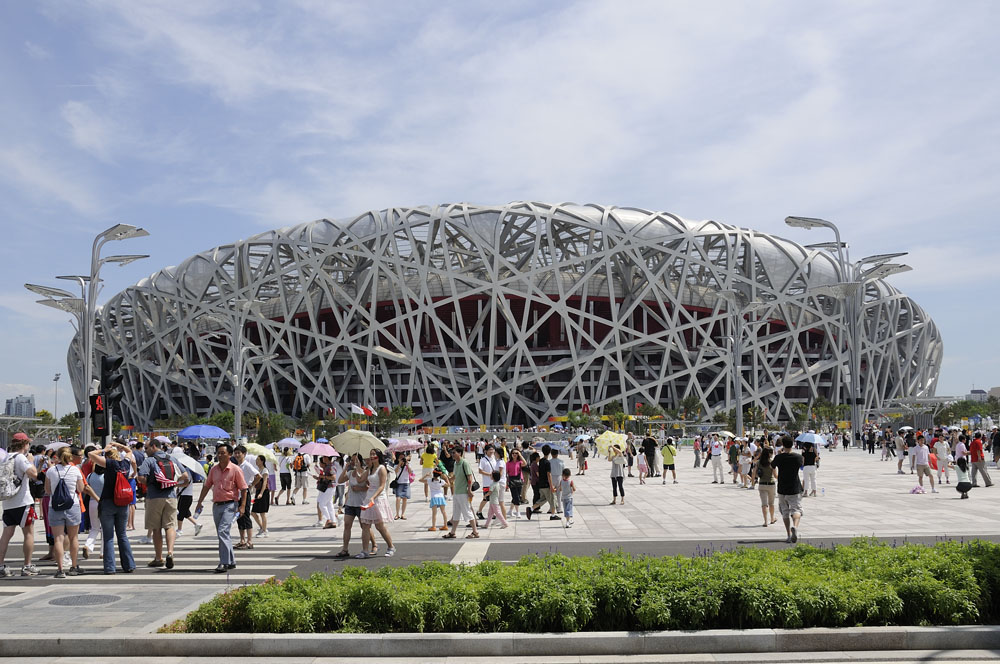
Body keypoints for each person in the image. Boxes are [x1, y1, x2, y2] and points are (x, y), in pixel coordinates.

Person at [137, 438, 190, 569]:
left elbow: (140, 477)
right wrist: (173, 483)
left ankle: (158, 557)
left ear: (154, 447)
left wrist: (152, 482)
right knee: (170, 526)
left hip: (154, 497)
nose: (146, 450)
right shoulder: (172, 459)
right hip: (171, 496)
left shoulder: (149, 461)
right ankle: (170, 552)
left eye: (147, 448)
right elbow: (185, 476)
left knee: (156, 528)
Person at [195, 444, 248, 573]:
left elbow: (244, 489)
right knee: (223, 534)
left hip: (230, 505)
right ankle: (231, 561)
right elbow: (207, 486)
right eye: (218, 453)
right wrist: (199, 502)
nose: (219, 455)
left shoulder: (235, 470)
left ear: (229, 455)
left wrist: (242, 506)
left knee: (223, 531)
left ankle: (224, 562)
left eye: (222, 453)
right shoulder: (214, 469)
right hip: (217, 505)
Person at [87, 441, 137, 574]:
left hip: (108, 502)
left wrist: (104, 449)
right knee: (122, 535)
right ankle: (129, 565)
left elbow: (90, 454)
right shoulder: (125, 464)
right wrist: (119, 445)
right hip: (123, 503)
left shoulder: (110, 464)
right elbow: (129, 451)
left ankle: (110, 567)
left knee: (108, 537)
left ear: (108, 457)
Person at [0, 435, 40, 577]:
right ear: (25, 444)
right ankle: (27, 566)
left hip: (7, 502)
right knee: (28, 533)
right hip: (23, 502)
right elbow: (34, 474)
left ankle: (1, 566)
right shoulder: (20, 458)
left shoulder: (4, 457)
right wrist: (31, 461)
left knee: (6, 535)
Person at [45, 446, 88, 578]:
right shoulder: (75, 470)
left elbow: (47, 490)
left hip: (55, 506)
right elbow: (80, 489)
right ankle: (74, 566)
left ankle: (60, 569)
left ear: (57, 456)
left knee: (58, 538)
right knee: (73, 537)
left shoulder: (51, 471)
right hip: (72, 505)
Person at [357, 449, 395, 558]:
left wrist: (374, 497)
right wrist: (358, 466)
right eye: (371, 454)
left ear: (378, 456)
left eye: (374, 454)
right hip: (368, 498)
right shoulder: (370, 469)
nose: (372, 456)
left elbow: (382, 486)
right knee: (365, 525)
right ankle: (364, 551)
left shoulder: (381, 468)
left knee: (379, 526)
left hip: (378, 499)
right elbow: (360, 479)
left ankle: (391, 546)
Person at [444, 446, 480, 539]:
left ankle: (475, 532)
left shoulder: (465, 463)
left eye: (454, 452)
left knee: (467, 512)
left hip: (463, 492)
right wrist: (447, 477)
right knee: (456, 513)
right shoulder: (456, 463)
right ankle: (453, 532)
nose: (452, 454)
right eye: (452, 453)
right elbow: (454, 477)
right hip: (457, 492)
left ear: (459, 453)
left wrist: (469, 490)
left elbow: (469, 477)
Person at [773, 437, 803, 543]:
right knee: (796, 510)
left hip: (782, 487)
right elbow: (801, 465)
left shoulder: (779, 457)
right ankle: (795, 526)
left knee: (785, 512)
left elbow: (772, 466)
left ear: (783, 445)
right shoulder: (798, 457)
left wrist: (781, 454)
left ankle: (788, 535)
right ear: (793, 444)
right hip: (795, 487)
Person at [231, 446, 258, 550]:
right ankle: (242, 540)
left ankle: (249, 541)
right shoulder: (237, 466)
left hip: (245, 493)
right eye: (235, 453)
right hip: (237, 494)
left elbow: (258, 475)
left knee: (246, 516)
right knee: (239, 517)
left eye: (239, 453)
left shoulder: (247, 465)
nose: (237, 455)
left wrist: (250, 485)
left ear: (244, 454)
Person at [526, 445, 556, 518]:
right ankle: (553, 515)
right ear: (549, 452)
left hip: (540, 484)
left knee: (543, 499)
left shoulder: (541, 461)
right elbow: (549, 475)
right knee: (552, 500)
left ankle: (531, 509)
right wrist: (551, 486)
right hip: (546, 484)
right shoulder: (547, 462)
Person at [752, 447, 778, 527]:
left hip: (762, 484)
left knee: (764, 504)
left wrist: (753, 482)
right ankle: (772, 518)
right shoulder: (772, 463)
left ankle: (765, 521)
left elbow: (753, 473)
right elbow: (775, 475)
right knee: (771, 503)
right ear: (769, 454)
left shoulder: (758, 462)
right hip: (771, 484)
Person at [251, 455, 271, 537]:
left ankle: (264, 531)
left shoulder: (265, 470)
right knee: (253, 512)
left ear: (262, 461)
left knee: (262, 513)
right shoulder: (258, 470)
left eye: (258, 460)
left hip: (264, 493)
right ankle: (262, 528)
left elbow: (265, 483)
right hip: (258, 492)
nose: (256, 461)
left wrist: (261, 493)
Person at [505, 448, 526, 519]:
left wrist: (520, 455)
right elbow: (506, 473)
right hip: (511, 480)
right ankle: (517, 512)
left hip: (519, 480)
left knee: (517, 496)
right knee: (516, 496)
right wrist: (506, 484)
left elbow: (525, 463)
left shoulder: (519, 462)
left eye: (516, 453)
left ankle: (510, 510)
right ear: (511, 454)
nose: (514, 454)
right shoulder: (508, 463)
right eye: (513, 453)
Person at [392, 452, 411, 520]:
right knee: (398, 499)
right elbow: (396, 471)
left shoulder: (407, 465)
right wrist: (399, 464)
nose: (402, 459)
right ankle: (397, 514)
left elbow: (410, 472)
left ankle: (403, 514)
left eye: (403, 457)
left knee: (405, 499)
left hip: (406, 483)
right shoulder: (396, 465)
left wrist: (407, 465)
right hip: (399, 483)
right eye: (400, 457)